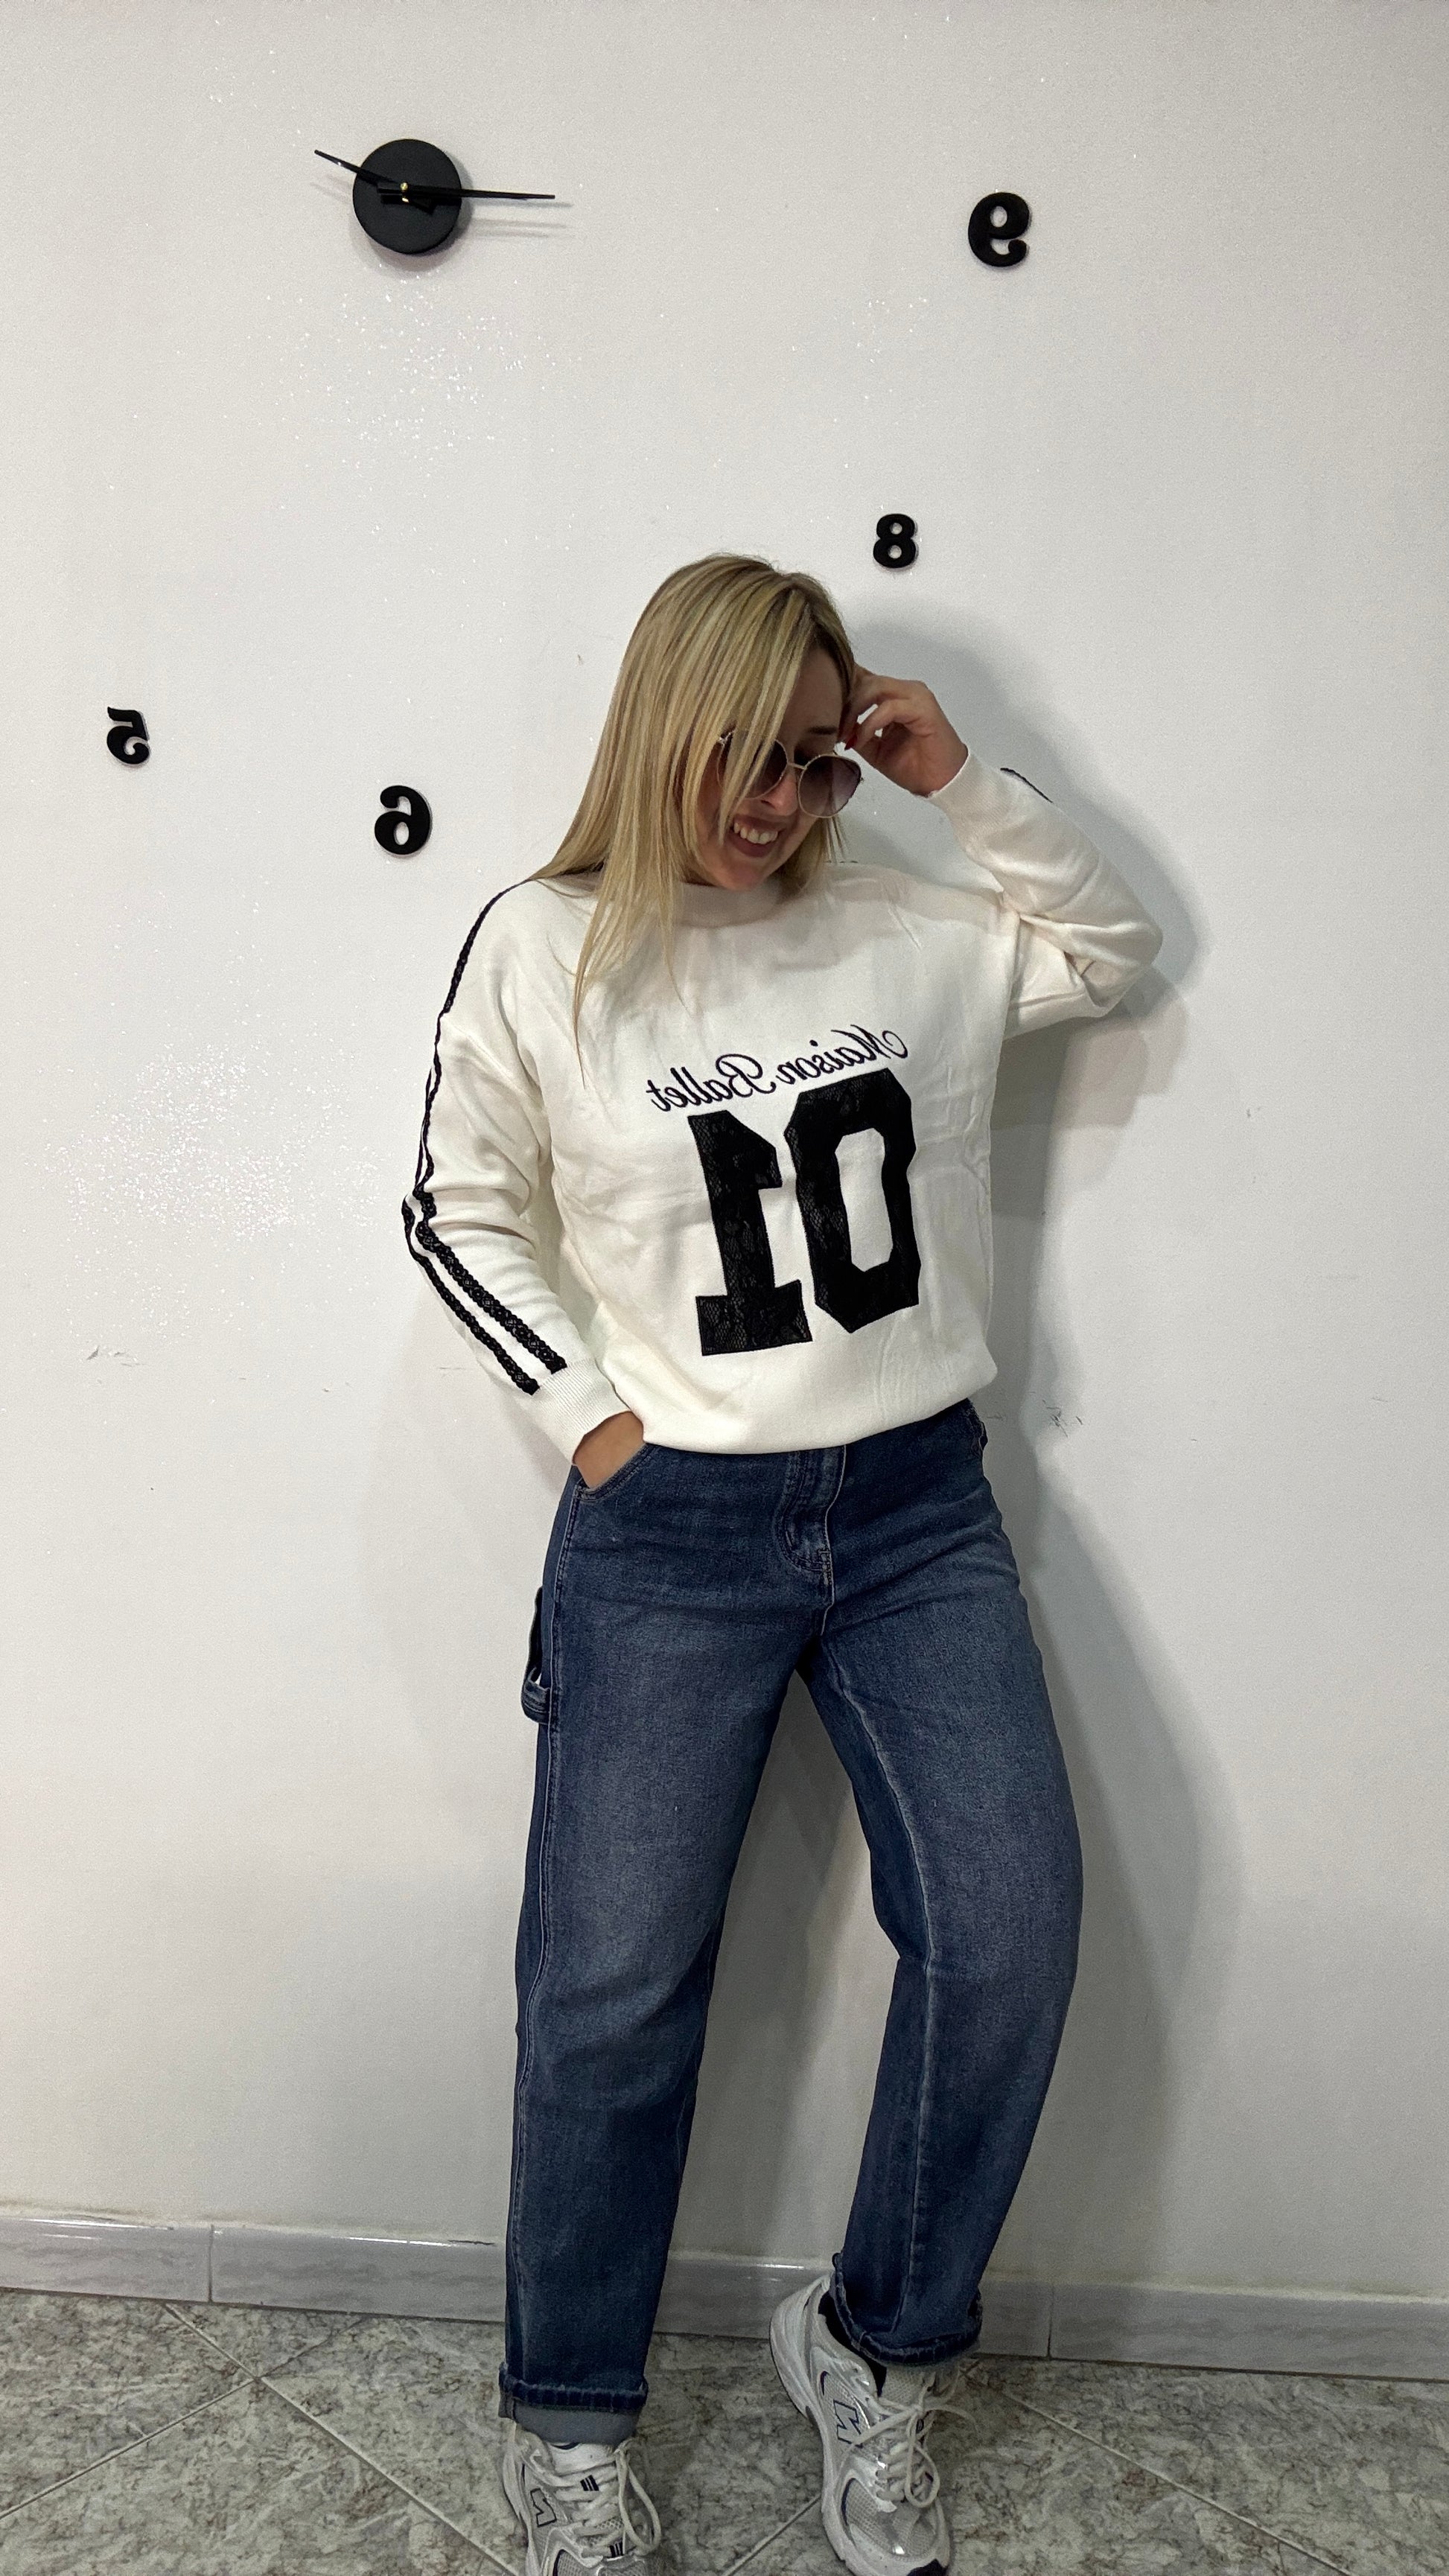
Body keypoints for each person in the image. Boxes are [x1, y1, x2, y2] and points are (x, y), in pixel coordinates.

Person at [401, 554, 1163, 2576]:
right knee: (609, 1990)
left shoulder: (904, 928)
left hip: (914, 1509)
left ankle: (874, 2345)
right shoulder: (544, 946)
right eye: (745, 752)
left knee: (1008, 1930)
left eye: (817, 760)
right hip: (671, 1532)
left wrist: (952, 776)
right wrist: (595, 1420)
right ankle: (571, 2417)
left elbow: (1106, 949)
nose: (778, 800)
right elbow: (458, 1205)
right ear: (663, 725)